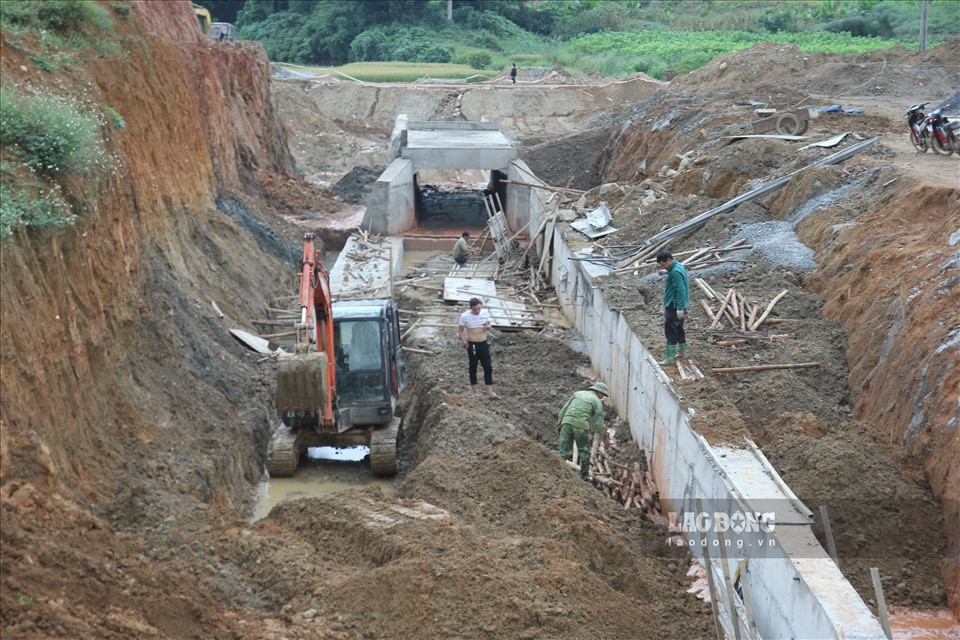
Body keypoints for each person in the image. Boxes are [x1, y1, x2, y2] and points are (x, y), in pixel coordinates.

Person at [557, 382, 609, 482]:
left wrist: (559, 423)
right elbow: (599, 423)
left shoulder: (578, 394)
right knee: (584, 452)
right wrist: (605, 438)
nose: (602, 397)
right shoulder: (596, 402)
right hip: (580, 425)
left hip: (567, 422)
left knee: (563, 451)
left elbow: (564, 409)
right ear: (599, 392)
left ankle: (559, 473)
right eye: (602, 395)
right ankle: (584, 476)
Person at [458, 298, 501, 399]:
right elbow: (460, 331)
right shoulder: (465, 316)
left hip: (483, 343)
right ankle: (475, 391)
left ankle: (489, 392)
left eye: (479, 309)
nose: (477, 311)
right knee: (473, 367)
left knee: (488, 368)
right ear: (471, 308)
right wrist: (464, 342)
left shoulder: (485, 313)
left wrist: (488, 327)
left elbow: (489, 326)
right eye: (475, 310)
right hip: (472, 344)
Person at [656, 250, 689, 365]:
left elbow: (680, 290)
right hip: (680, 304)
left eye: (664, 264)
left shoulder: (674, 272)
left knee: (670, 329)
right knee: (679, 327)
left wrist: (679, 308)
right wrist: (665, 272)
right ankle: (682, 351)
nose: (663, 267)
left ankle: (669, 358)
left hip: (674, 305)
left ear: (669, 260)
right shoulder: (678, 266)